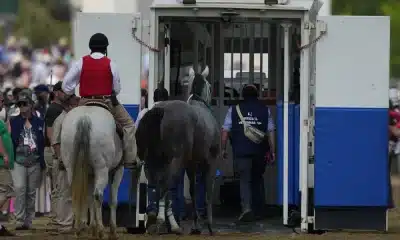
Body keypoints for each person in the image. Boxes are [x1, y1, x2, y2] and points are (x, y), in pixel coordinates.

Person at [61, 32, 138, 169]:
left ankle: (63, 158)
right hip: (106, 102)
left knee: (65, 124)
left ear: (90, 47)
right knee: (129, 124)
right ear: (105, 48)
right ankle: (130, 159)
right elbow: (117, 88)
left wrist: (72, 93)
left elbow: (66, 85)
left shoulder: (80, 62)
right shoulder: (111, 64)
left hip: (84, 101)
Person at [221, 84, 275, 222]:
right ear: (257, 95)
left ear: (242, 95)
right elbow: (270, 132)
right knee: (257, 178)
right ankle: (259, 210)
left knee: (244, 179)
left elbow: (225, 131)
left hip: (241, 151)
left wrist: (223, 149)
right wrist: (272, 150)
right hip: (259, 151)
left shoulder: (233, 110)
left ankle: (246, 208)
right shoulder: (265, 110)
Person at [9, 91, 45, 230]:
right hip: (18, 161)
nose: (22, 107)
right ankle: (19, 219)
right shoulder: (13, 121)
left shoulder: (40, 121)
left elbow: (43, 142)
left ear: (31, 105)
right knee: (19, 189)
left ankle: (28, 220)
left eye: (25, 104)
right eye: (20, 104)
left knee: (31, 192)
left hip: (35, 161)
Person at [50, 94, 79, 232]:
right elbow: (55, 142)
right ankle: (63, 223)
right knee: (64, 192)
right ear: (69, 105)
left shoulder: (71, 118)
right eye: (75, 102)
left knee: (69, 192)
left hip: (70, 161)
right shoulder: (61, 119)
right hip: (62, 160)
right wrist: (61, 158)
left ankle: (69, 221)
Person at [43, 81, 65, 224]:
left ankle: (57, 215)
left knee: (58, 184)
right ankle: (56, 216)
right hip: (53, 150)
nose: (66, 93)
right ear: (57, 93)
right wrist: (56, 151)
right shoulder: (53, 109)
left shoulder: (58, 108)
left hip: (56, 149)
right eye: (63, 91)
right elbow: (50, 133)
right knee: (57, 185)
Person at [0, 118, 15, 236]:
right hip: (1, 163)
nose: (2, 103)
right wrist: (4, 154)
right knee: (7, 190)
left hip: (3, 163)